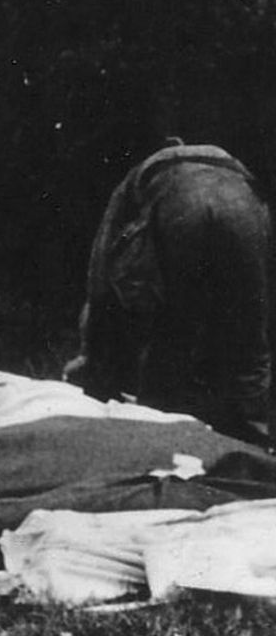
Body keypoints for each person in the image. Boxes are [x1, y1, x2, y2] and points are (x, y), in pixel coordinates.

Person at [65, 142, 272, 445]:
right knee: (248, 333)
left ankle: (159, 440)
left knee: (171, 329)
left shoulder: (132, 185)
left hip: (179, 203)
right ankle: (255, 444)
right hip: (244, 204)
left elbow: (100, 283)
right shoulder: (228, 168)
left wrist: (91, 360)